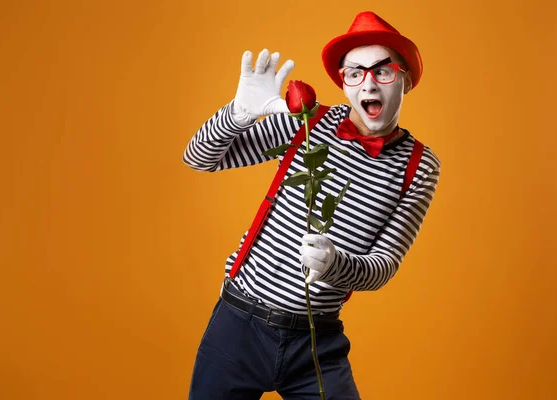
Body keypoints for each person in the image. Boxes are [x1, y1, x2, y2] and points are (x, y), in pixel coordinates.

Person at [183, 11, 441, 400]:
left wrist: (334, 265)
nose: (367, 82)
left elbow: (384, 266)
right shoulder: (307, 121)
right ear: (343, 82)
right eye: (354, 72)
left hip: (317, 342)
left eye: (382, 71)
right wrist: (236, 114)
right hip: (238, 327)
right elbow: (199, 157)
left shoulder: (419, 166)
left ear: (405, 78)